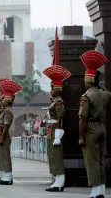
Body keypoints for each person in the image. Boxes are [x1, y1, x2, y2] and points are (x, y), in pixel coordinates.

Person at [78, 50, 109, 198]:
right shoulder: (104, 94)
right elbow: (107, 91)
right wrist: (98, 85)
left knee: (92, 161)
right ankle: (102, 189)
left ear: (88, 81)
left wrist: (81, 137)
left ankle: (95, 191)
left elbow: (82, 119)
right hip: (102, 127)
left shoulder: (86, 97)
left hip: (90, 128)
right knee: (101, 160)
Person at [42, 65, 72, 192]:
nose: (50, 90)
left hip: (55, 130)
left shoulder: (59, 102)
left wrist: (58, 135)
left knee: (56, 155)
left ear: (57, 89)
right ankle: (57, 181)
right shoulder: (54, 101)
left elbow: (60, 119)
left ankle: (60, 182)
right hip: (51, 129)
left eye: (52, 88)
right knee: (52, 155)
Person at [0, 79, 22, 185]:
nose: (2, 100)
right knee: (2, 155)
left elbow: (6, 125)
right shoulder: (4, 110)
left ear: (8, 100)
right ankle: (5, 175)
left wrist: (2, 137)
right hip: (0, 134)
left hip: (4, 135)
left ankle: (8, 176)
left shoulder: (8, 111)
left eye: (4, 99)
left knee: (5, 156)